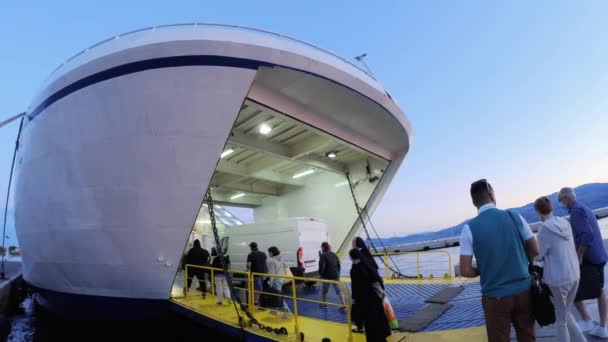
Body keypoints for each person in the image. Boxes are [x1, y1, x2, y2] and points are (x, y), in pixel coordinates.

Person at [459, 179, 539, 342]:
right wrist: (520, 259)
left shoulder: (469, 228)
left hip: (495, 297)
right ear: (491, 194)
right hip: (524, 291)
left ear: (474, 202)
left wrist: (484, 268)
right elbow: (535, 250)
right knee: (527, 336)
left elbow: (465, 270)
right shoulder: (514, 216)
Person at [533, 196, 586, 342]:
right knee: (565, 312)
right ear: (551, 208)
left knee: (561, 321)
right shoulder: (565, 222)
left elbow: (539, 256)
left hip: (558, 279)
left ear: (538, 211)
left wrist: (528, 252)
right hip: (574, 274)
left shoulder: (544, 229)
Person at [559, 187, 608, 337]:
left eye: (560, 200)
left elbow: (587, 235)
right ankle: (592, 321)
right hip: (598, 256)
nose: (560, 203)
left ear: (567, 198)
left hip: (590, 258)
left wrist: (578, 255)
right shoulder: (583, 208)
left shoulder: (576, 212)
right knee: (597, 290)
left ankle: (600, 326)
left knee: (575, 288)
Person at [350, 248, 391, 342]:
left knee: (370, 328)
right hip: (376, 299)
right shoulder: (367, 264)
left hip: (365, 302)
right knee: (379, 323)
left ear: (352, 257)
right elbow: (377, 281)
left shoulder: (355, 268)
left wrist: (354, 302)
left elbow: (355, 287)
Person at [319, 242, 346, 311]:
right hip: (335, 275)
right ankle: (343, 304)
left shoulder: (323, 255)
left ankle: (325, 304)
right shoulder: (334, 254)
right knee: (338, 289)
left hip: (326, 275)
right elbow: (339, 265)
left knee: (325, 290)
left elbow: (321, 266)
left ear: (323, 247)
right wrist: (338, 273)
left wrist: (321, 274)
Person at [266, 246, 291, 314]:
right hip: (281, 279)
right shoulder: (281, 259)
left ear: (271, 253)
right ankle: (275, 310)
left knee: (278, 296)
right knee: (276, 295)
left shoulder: (271, 260)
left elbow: (272, 273)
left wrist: (270, 282)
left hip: (275, 280)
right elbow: (285, 267)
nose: (268, 254)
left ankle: (287, 312)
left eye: (269, 252)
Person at [246, 241, 267, 306]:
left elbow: (249, 265)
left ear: (251, 247)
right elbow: (265, 263)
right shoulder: (263, 254)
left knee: (255, 288)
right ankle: (257, 300)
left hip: (255, 274)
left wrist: (247, 268)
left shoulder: (251, 255)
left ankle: (255, 301)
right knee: (259, 288)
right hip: (263, 274)